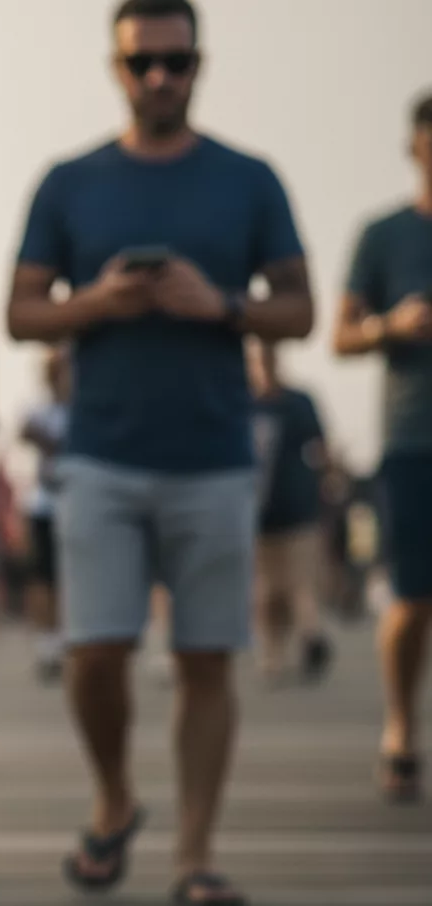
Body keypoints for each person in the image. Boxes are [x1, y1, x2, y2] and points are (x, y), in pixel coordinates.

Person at [7, 1, 315, 901]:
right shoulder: (70, 182)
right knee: (95, 651)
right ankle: (113, 801)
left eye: (175, 64)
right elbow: (22, 312)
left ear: (198, 65)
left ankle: (195, 856)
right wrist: (98, 301)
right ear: (117, 67)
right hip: (101, 451)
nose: (159, 80)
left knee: (206, 657)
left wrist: (216, 304)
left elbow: (297, 306)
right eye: (143, 64)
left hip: (215, 454)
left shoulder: (249, 179)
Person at [332, 90, 432, 804]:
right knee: (412, 599)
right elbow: (339, 336)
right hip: (412, 440)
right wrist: (390, 328)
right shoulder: (383, 235)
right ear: (414, 146)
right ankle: (400, 727)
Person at [247, 338, 332, 684]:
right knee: (267, 587)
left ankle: (310, 635)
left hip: (298, 505)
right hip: (257, 509)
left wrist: (327, 485)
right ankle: (273, 651)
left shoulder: (298, 402)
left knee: (300, 581)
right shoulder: (242, 403)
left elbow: (320, 447)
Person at [20, 344, 71, 685]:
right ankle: (47, 643)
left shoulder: (85, 412)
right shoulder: (40, 410)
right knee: (43, 579)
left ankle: (70, 636)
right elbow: (25, 430)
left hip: (77, 505)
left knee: (71, 578)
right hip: (44, 506)